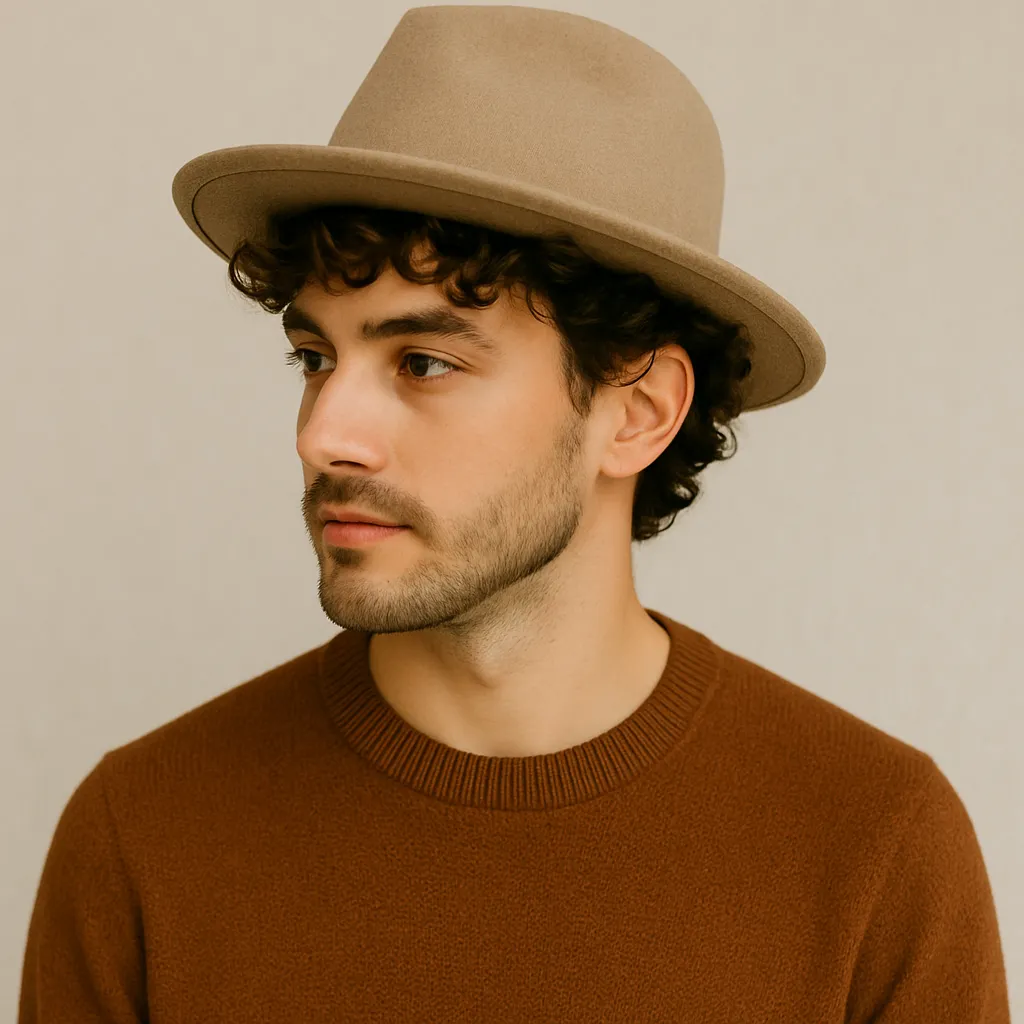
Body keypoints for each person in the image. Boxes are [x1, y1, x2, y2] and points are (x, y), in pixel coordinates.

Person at [19, 6, 1009, 1022]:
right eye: (315, 358)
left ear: (638, 412)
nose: (323, 434)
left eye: (423, 363)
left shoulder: (874, 846)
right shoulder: (141, 837)